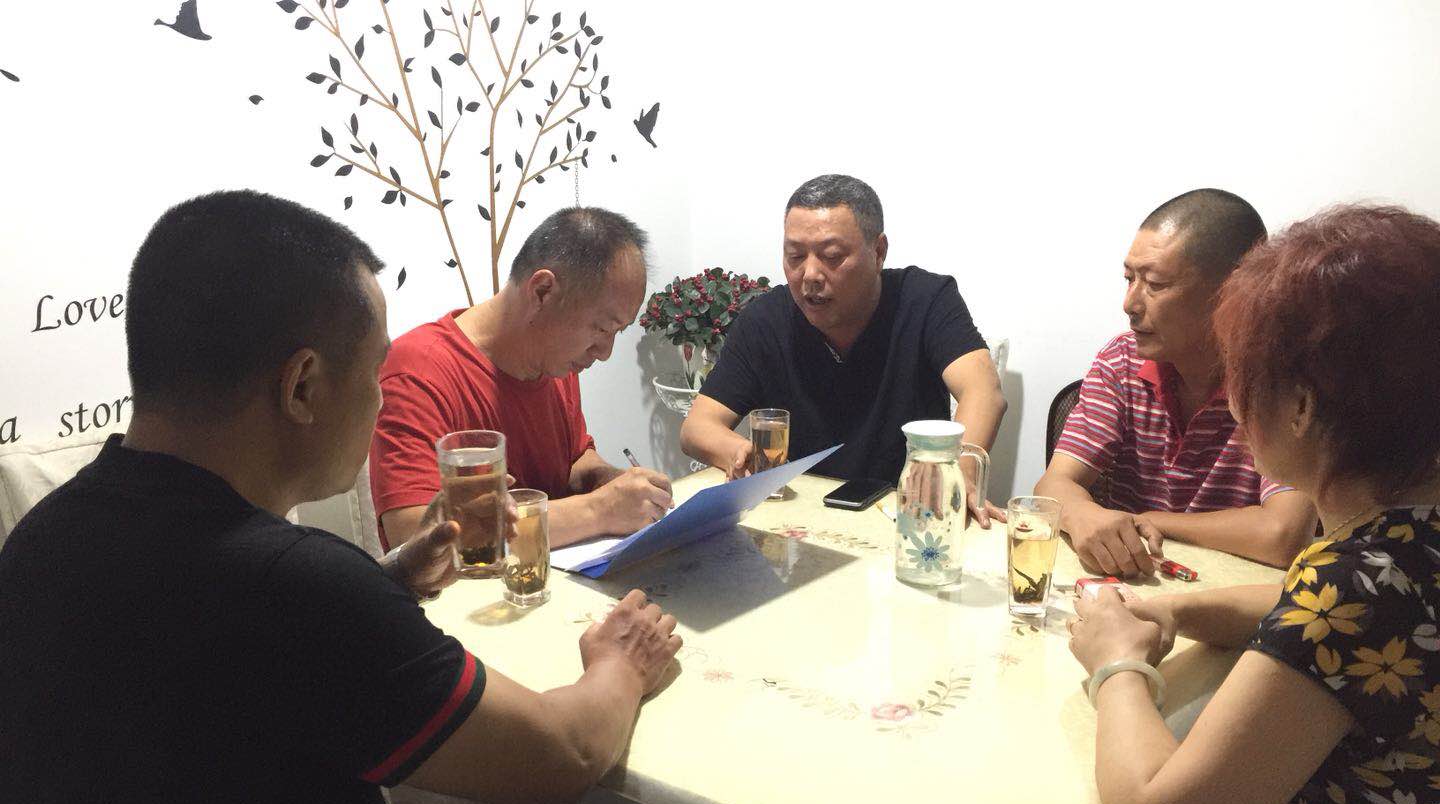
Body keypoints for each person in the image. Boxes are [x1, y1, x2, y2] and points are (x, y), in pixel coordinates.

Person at [0, 190, 681, 804]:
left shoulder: (42, 540)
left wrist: (382, 586)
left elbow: (213, 670)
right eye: (375, 373)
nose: (383, 398)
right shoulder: (297, 590)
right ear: (303, 387)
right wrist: (622, 662)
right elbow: (561, 756)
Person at [1064, 204, 1440, 804]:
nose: (1234, 403)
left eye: (1244, 378)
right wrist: (1186, 609)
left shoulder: (1352, 590)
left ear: (1300, 406)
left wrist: (1117, 663)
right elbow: (1308, 598)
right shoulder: (1396, 548)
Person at [680, 174, 1009, 525]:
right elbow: (697, 426)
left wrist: (960, 471)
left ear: (878, 252)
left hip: (906, 514)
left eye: (832, 256)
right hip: (797, 520)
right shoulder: (765, 320)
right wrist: (738, 453)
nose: (809, 274)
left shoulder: (924, 299)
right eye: (795, 256)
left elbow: (983, 393)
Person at [1036, 189, 1317, 576]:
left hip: (1238, 595)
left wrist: (1152, 521)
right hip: (1135, 586)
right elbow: (1053, 485)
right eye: (1129, 279)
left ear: (1231, 291)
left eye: (1154, 284)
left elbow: (1283, 534)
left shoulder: (1280, 382)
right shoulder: (1122, 360)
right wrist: (1082, 513)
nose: (1130, 304)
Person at [370, 207, 673, 552]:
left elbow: (573, 460)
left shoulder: (556, 363)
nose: (605, 352)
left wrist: (608, 480)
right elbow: (413, 533)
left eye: (618, 331)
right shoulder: (418, 370)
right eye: (602, 328)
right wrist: (599, 510)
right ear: (543, 291)